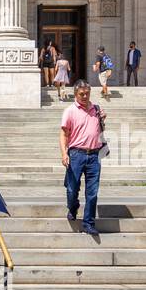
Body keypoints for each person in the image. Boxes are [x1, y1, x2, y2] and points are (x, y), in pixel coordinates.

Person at [61, 80, 105, 236]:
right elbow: (64, 134)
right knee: (72, 189)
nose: (85, 96)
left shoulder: (96, 109)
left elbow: (98, 131)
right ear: (75, 94)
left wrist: (102, 120)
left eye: (87, 93)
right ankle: (73, 207)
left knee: (92, 192)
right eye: (82, 94)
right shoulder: (70, 111)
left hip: (94, 155)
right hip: (76, 154)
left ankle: (88, 223)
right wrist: (64, 153)